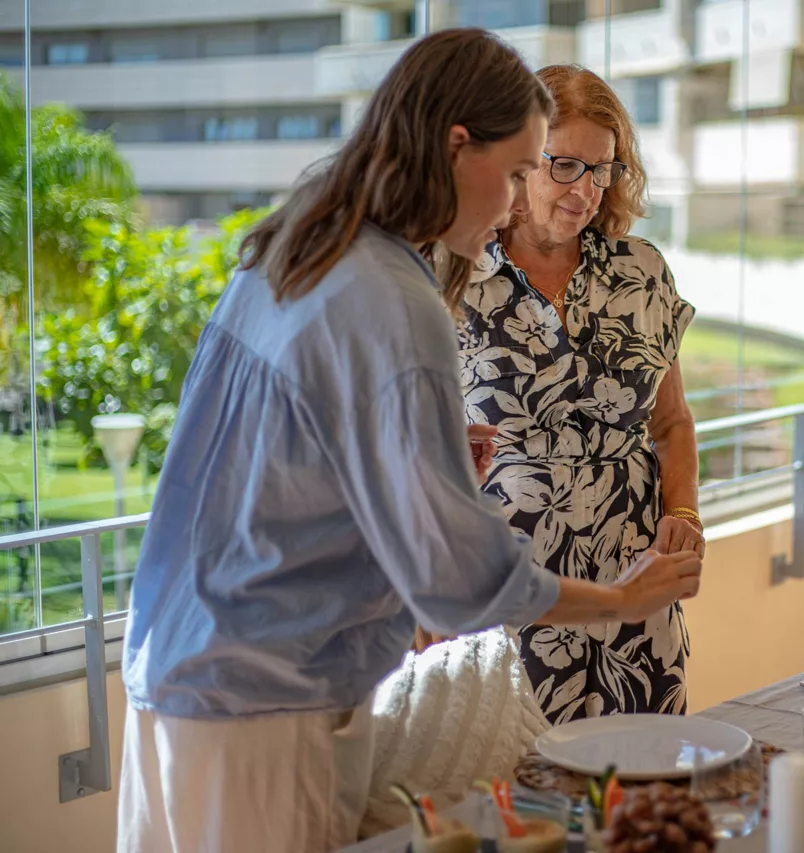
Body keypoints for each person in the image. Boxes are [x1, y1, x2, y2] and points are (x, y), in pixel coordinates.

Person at [116, 31, 701, 853]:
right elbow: (456, 581)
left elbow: (273, 462)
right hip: (269, 703)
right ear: (459, 148)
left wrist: (415, 458)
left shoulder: (296, 248)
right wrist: (623, 602)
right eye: (518, 171)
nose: (512, 203)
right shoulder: (397, 294)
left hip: (178, 672)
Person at [454, 65, 702, 723]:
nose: (586, 188)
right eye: (564, 165)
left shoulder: (641, 271)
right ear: (521, 159)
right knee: (524, 801)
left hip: (636, 586)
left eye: (603, 169)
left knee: (641, 795)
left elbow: (672, 420)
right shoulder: (458, 276)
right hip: (516, 595)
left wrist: (685, 512)